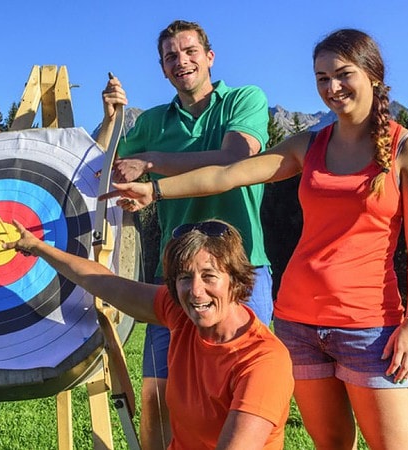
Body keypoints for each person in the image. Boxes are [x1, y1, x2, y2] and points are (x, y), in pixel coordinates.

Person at [105, 29, 408, 449]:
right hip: (298, 322)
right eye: (321, 78)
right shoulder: (309, 144)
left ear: (373, 75)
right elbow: (227, 175)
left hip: (371, 326)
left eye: (342, 74)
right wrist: (155, 190)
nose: (332, 88)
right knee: (331, 444)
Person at [95, 19, 272, 449]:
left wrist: (152, 165)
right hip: (175, 277)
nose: (182, 61)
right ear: (162, 68)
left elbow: (233, 161)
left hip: (242, 269)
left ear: (210, 57)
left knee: (242, 392)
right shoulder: (153, 120)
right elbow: (102, 166)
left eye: (190, 51)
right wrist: (112, 120)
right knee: (159, 395)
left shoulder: (244, 100)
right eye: (171, 56)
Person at [5, 219, 293, 449]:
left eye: (209, 276)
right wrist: (38, 247)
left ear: (236, 280)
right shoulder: (180, 312)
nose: (195, 291)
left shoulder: (264, 363)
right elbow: (104, 283)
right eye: (184, 277)